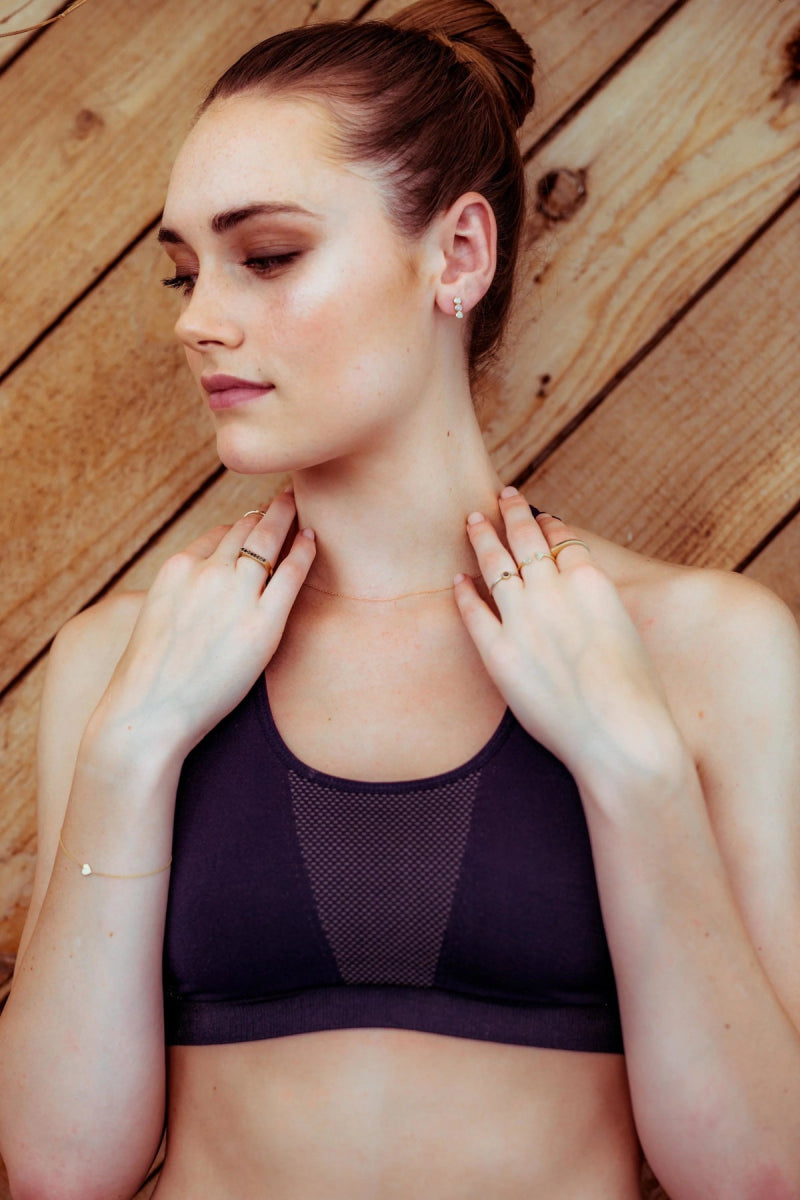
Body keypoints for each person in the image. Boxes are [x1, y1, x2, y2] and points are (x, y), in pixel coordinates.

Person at [1, 2, 799, 1197]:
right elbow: (57, 1171)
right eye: (182, 269)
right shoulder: (119, 665)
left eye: (265, 255)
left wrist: (634, 774)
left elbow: (759, 1176)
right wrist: (131, 754)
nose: (195, 318)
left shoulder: (704, 647)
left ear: (458, 256)